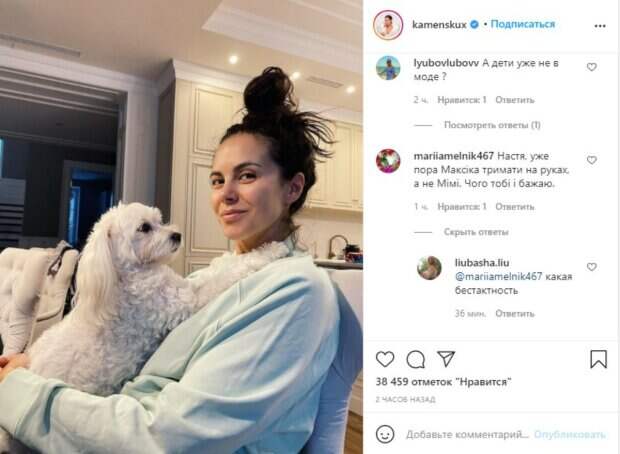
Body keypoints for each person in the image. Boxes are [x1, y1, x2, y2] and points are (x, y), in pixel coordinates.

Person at [0, 67, 340, 453]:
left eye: (246, 175)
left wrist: (21, 390)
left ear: (293, 187)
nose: (225, 194)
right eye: (217, 180)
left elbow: (170, 437)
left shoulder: (297, 290)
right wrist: (35, 367)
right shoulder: (220, 274)